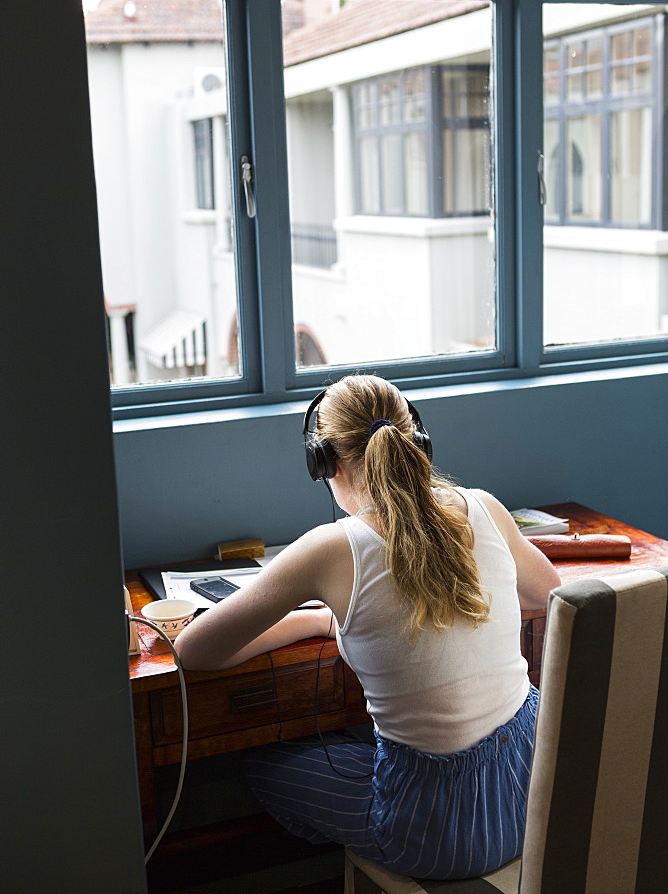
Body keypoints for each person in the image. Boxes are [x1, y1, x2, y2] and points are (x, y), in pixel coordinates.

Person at [175, 374, 561, 881]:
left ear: (325, 463)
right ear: (416, 442)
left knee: (263, 765)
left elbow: (193, 650)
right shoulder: (483, 507)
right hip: (535, 795)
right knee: (367, 741)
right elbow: (548, 592)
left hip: (439, 839)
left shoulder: (329, 548)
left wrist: (312, 620)